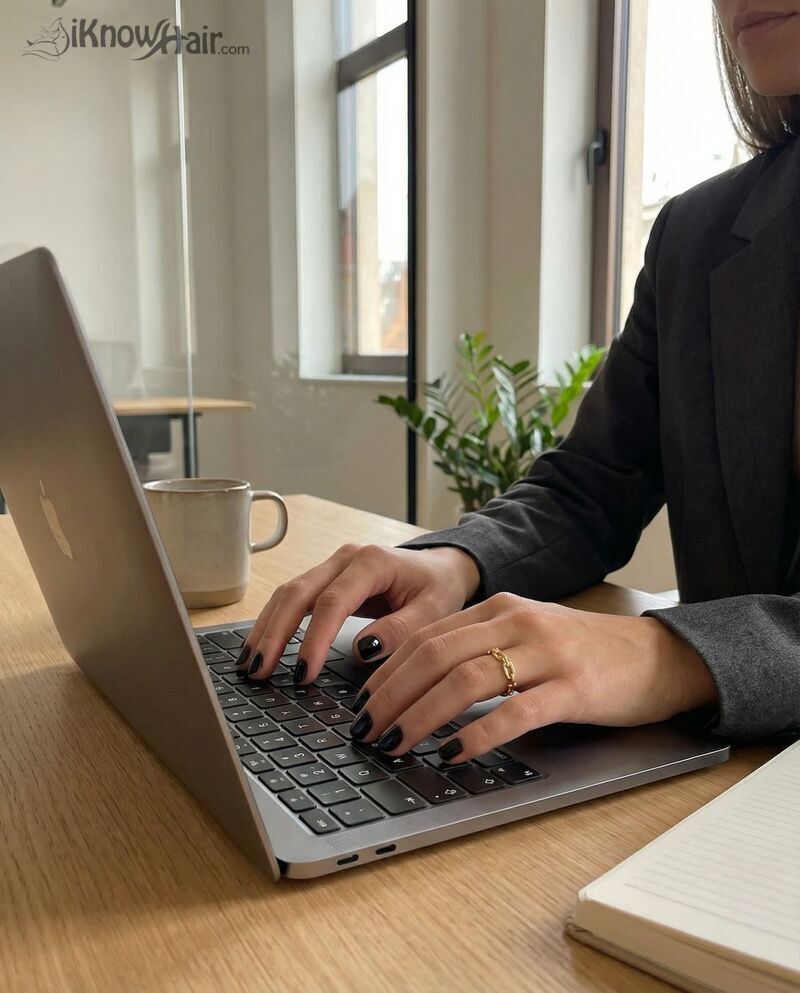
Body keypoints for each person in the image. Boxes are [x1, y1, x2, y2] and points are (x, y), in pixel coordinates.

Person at [237, 0, 800, 764]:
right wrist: (453, 563)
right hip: (712, 796)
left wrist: (668, 654)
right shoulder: (694, 238)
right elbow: (592, 486)